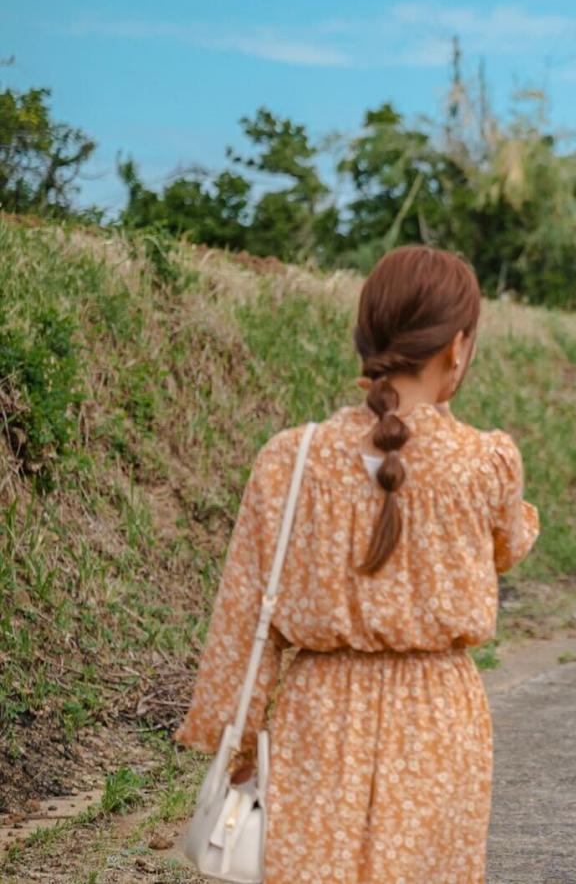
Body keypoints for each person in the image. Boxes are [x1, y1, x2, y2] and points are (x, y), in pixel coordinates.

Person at [177, 244, 540, 883]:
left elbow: (242, 614)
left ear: (364, 338)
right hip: (436, 720)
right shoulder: (484, 464)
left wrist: (234, 745)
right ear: (458, 347)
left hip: (317, 716)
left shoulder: (290, 459)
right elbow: (508, 546)